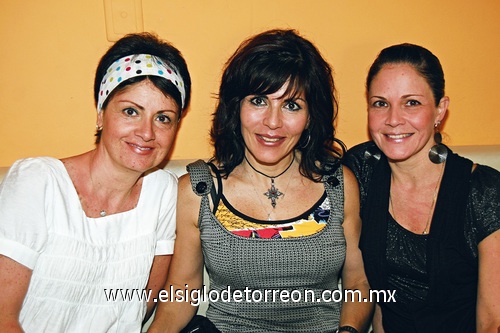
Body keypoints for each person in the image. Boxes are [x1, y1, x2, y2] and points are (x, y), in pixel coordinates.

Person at [148, 29, 372, 333]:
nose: (273, 122)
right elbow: (183, 290)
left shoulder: (339, 185)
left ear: (310, 116)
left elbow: (358, 282)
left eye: (292, 105)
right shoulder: (199, 190)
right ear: (236, 107)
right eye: (258, 101)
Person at [0, 32, 191, 332]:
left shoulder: (163, 193)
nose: (147, 132)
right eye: (131, 111)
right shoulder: (38, 183)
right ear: (101, 114)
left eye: (163, 118)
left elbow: (139, 308)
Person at [343, 43, 500, 332]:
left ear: (440, 110)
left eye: (411, 102)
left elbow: (492, 321)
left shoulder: (484, 192)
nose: (393, 119)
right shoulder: (361, 169)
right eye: (380, 103)